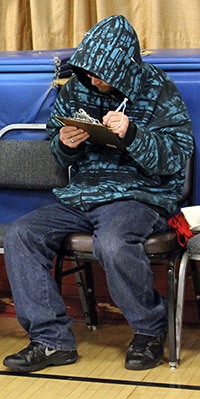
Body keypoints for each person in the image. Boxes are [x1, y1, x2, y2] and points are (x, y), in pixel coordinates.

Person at [3, 15, 194, 372]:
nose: (93, 78)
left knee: (113, 243)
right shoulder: (76, 87)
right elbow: (60, 150)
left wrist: (134, 134)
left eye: (101, 72)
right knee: (22, 234)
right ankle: (51, 341)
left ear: (123, 66)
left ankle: (150, 331)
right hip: (84, 192)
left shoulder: (158, 89)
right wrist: (66, 145)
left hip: (140, 194)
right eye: (89, 70)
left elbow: (175, 157)